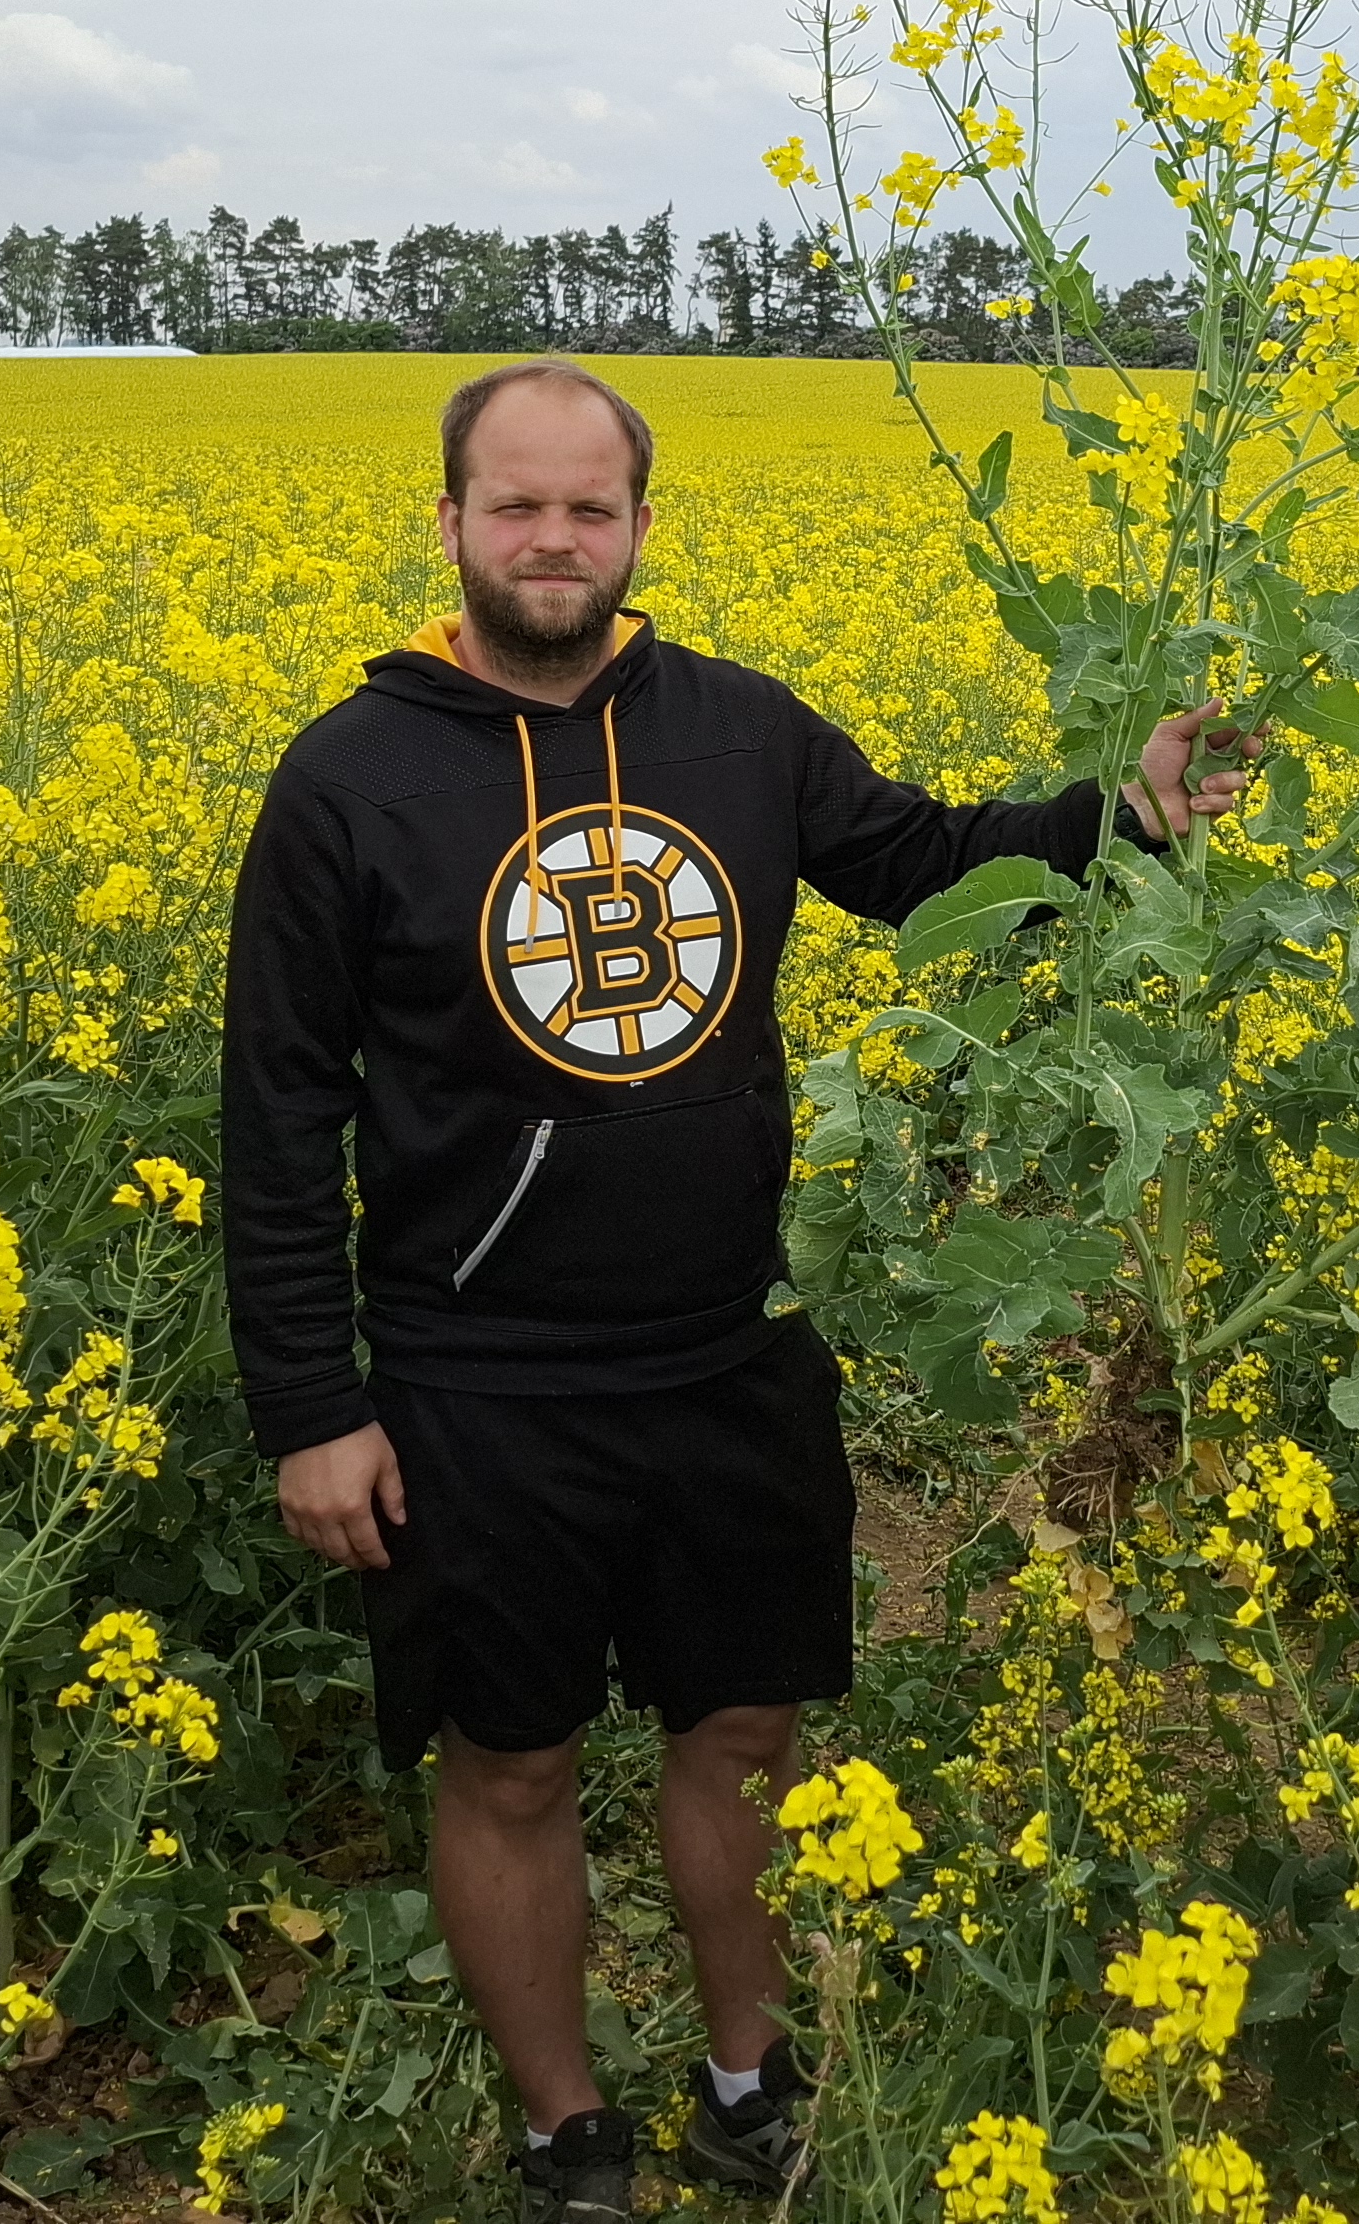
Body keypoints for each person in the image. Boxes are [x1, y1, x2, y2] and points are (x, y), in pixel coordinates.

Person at [221, 359, 1253, 2221]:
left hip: (728, 1348)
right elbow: (279, 1112)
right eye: (517, 505)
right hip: (473, 1373)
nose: (553, 539)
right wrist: (314, 1404)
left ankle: (748, 2084)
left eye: (588, 507)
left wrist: (1126, 816)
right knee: (510, 1767)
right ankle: (565, 2131)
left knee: (750, 1731)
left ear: (637, 526)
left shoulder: (740, 731)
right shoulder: (348, 779)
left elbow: (925, 862)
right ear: (450, 522)